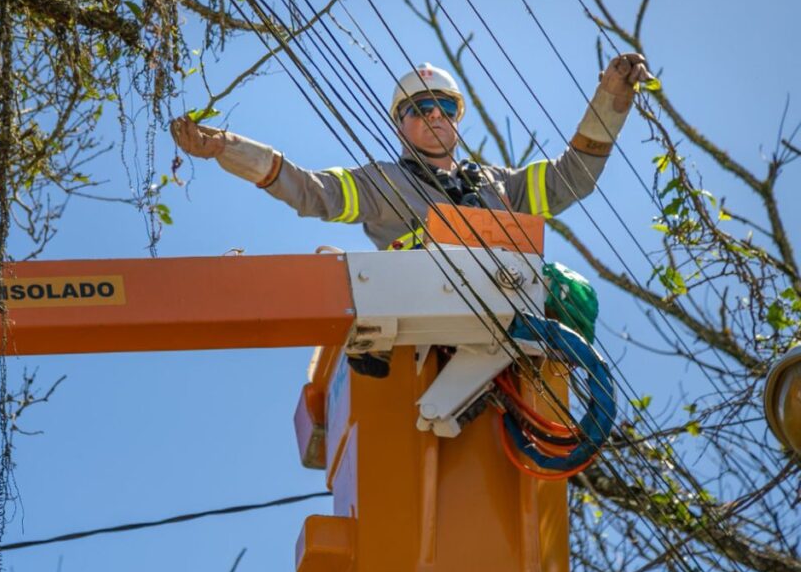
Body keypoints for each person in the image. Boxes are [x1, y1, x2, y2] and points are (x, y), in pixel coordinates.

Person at [171, 54, 652, 375]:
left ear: (457, 118)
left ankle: (554, 370)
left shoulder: (499, 184)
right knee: (335, 264)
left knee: (576, 293)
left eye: (444, 106)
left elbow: (573, 178)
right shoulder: (382, 183)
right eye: (421, 108)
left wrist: (611, 102)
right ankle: (370, 342)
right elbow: (310, 191)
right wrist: (226, 149)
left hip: (506, 313)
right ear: (401, 123)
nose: (436, 116)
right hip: (427, 314)